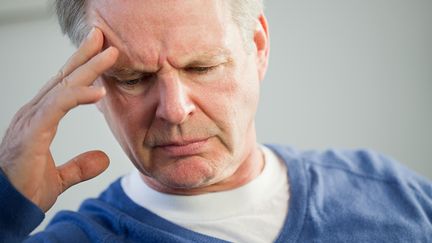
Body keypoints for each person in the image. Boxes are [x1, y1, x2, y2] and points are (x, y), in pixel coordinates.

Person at [0, 0, 431, 242]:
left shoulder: (394, 195)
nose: (173, 109)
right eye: (133, 78)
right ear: (90, 81)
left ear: (258, 47)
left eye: (202, 67)